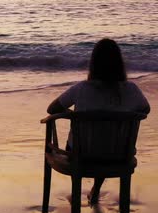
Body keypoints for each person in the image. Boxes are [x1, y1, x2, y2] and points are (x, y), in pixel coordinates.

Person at [47, 38, 150, 204]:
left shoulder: (81, 88)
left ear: (93, 63)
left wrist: (73, 114)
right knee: (105, 143)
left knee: (86, 144)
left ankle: (77, 191)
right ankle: (95, 190)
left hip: (81, 155)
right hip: (117, 155)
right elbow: (145, 109)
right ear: (119, 63)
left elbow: (52, 109)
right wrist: (123, 111)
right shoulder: (131, 89)